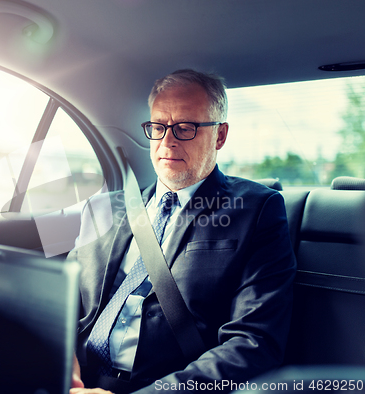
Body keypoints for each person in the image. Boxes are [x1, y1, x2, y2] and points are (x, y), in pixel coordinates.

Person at [68, 69, 296, 394]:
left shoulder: (258, 210)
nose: (167, 141)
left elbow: (254, 342)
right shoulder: (101, 209)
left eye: (185, 127)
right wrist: (62, 363)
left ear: (220, 136)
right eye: (158, 127)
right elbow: (61, 304)